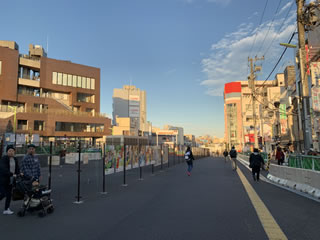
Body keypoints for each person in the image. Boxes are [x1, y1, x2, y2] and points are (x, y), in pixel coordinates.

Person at [0, 145, 19, 215]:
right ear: (7, 152)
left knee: (8, 195)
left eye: (12, 151)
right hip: (2, 180)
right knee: (2, 194)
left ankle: (6, 209)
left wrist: (19, 173)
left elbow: (17, 168)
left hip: (10, 180)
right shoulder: (4, 159)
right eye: (9, 151)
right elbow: (3, 169)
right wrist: (11, 174)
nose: (11, 152)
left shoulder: (15, 159)